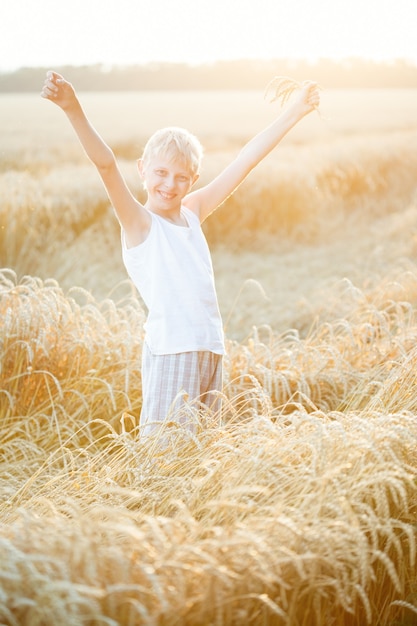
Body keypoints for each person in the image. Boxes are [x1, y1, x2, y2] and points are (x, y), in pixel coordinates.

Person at [41, 71, 320, 437]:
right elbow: (106, 164)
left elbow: (245, 160)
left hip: (210, 347)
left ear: (193, 179)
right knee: (163, 457)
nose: (169, 185)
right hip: (174, 349)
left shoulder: (193, 212)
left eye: (181, 177)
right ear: (142, 170)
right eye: (160, 172)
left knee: (198, 455)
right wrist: (73, 108)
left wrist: (295, 112)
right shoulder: (139, 223)